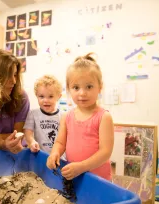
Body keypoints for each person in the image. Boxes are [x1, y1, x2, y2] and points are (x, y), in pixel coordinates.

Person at [46, 53, 114, 181]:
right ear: (68, 89)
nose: (82, 93)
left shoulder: (104, 117)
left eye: (89, 86)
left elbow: (105, 153)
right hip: (75, 176)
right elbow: (60, 143)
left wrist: (82, 167)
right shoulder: (67, 116)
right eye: (76, 87)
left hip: (99, 179)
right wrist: (55, 153)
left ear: (100, 87)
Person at [0, 49, 30, 154]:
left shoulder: (21, 97)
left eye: (15, 75)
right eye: (9, 75)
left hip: (14, 152)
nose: (14, 81)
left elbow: (17, 135)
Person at [23, 75, 66, 159]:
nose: (45, 100)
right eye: (41, 96)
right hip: (39, 156)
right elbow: (28, 132)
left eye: (50, 96)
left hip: (59, 157)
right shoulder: (33, 114)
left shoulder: (63, 116)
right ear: (36, 95)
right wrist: (32, 142)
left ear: (58, 96)